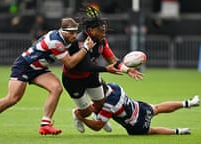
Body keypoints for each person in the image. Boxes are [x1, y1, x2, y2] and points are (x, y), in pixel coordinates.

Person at [0, 17, 97, 136]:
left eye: (75, 32)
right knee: (13, 98)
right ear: (63, 31)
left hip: (38, 68)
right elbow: (69, 63)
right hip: (24, 66)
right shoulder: (56, 42)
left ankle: (45, 125)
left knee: (56, 88)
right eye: (71, 33)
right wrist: (85, 48)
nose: (74, 36)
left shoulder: (65, 38)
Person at [62, 5, 144, 133]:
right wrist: (107, 69)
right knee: (86, 111)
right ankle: (77, 114)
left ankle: (98, 117)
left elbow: (113, 60)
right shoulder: (80, 42)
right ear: (91, 30)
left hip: (91, 76)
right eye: (101, 31)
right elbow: (85, 66)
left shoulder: (102, 41)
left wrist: (127, 69)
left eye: (104, 30)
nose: (104, 33)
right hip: (74, 80)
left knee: (100, 103)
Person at [74, 81, 200, 135]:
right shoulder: (114, 86)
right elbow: (100, 104)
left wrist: (82, 118)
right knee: (158, 108)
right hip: (139, 108)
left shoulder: (109, 104)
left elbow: (97, 127)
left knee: (153, 131)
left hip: (135, 123)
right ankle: (189, 103)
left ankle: (179, 132)